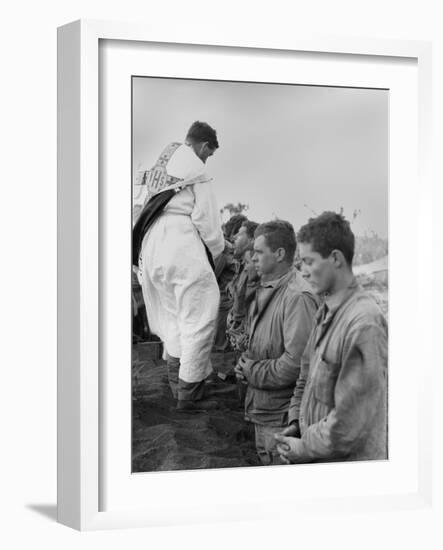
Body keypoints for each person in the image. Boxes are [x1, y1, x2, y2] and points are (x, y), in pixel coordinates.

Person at [275, 212, 388, 463]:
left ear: (335, 258)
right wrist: (297, 422)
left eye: (308, 261)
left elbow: (349, 425)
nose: (302, 272)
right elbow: (305, 377)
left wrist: (303, 446)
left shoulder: (364, 323)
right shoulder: (324, 312)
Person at [137, 121, 225, 411]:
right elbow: (208, 223)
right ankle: (189, 397)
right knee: (199, 318)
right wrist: (217, 255)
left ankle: (176, 385)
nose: (206, 159)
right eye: (209, 154)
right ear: (202, 146)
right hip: (180, 246)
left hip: (148, 249)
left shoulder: (153, 171)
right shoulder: (197, 172)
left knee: (173, 320)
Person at [234, 220, 318, 465]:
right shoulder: (269, 289)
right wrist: (245, 364)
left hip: (282, 420)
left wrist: (251, 371)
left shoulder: (297, 298)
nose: (254, 258)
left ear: (280, 254)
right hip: (264, 411)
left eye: (259, 252)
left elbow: (296, 365)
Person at [226, 220, 260, 352]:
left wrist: (236, 323)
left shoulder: (253, 267)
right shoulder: (242, 263)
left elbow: (244, 301)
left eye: (240, 235)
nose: (234, 237)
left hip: (248, 334)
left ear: (252, 240)